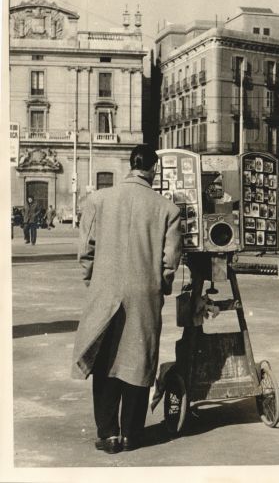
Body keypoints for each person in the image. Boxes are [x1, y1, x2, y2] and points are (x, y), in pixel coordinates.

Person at [71, 145, 182, 454]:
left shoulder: (98, 200)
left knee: (105, 361)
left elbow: (85, 253)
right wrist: (159, 288)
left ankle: (107, 433)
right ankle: (132, 433)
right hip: (144, 294)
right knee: (138, 360)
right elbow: (170, 262)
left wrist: (94, 282)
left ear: (129, 167)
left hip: (104, 291)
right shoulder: (168, 209)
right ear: (153, 170)